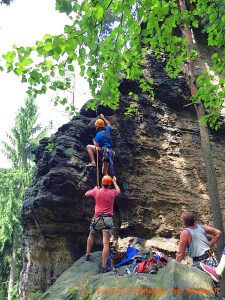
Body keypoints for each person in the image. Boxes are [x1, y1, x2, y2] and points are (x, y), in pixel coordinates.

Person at [84, 175, 120, 273]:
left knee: (91, 234)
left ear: (102, 182)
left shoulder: (97, 191)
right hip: (107, 219)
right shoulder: (113, 192)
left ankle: (87, 255)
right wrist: (115, 182)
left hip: (97, 218)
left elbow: (86, 194)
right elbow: (118, 191)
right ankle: (104, 266)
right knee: (106, 244)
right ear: (109, 184)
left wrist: (95, 188)